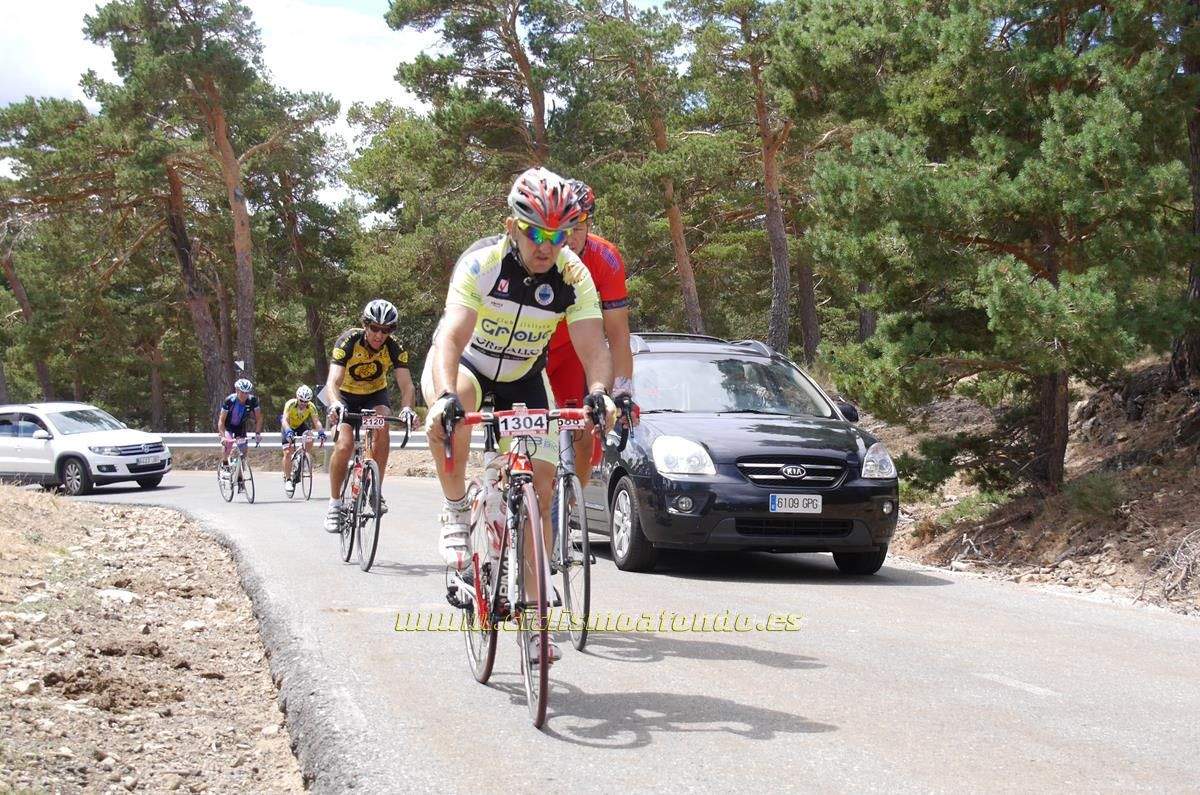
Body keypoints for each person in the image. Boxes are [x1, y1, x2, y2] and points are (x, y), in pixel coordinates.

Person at [422, 166, 616, 665]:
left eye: (556, 234)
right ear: (512, 225)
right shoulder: (482, 264)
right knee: (456, 406)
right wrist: (444, 395)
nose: (546, 245)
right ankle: (456, 509)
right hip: (465, 366)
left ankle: (533, 620)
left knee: (542, 483)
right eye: (534, 232)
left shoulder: (574, 275)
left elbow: (595, 344)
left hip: (523, 380)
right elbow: (452, 336)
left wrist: (599, 392)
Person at [548, 178, 637, 485]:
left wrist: (623, 390)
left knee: (585, 430)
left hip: (575, 350)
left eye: (579, 226)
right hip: (533, 348)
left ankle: (570, 506)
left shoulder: (605, 258)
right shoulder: (539, 251)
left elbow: (618, 334)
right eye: (564, 227)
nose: (570, 237)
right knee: (526, 428)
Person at [322, 299, 418, 533]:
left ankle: (375, 490)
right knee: (344, 446)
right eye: (374, 328)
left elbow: (407, 386)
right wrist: (334, 404)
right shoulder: (348, 341)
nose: (379, 334)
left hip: (374, 395)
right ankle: (334, 504)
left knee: (383, 426)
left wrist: (407, 408)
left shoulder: (395, 347)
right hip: (344, 395)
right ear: (365, 325)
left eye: (385, 330)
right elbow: (332, 381)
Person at [280, 385, 326, 496]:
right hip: (288, 426)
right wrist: (288, 431)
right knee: (287, 452)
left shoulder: (311, 406)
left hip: (300, 426)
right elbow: (284, 420)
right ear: (297, 397)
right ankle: (288, 479)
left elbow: (316, 421)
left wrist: (321, 432)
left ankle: (303, 455)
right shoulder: (290, 404)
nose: (303, 403)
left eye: (306, 401)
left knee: (310, 436)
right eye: (301, 400)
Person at [217, 378, 262, 465]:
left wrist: (257, 433)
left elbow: (259, 418)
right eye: (242, 392)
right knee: (228, 444)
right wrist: (222, 437)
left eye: (247, 393)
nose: (244, 395)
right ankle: (225, 462)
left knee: (243, 449)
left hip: (240, 426)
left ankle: (240, 474)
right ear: (237, 390)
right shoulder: (229, 400)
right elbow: (221, 420)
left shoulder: (252, 400)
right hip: (228, 425)